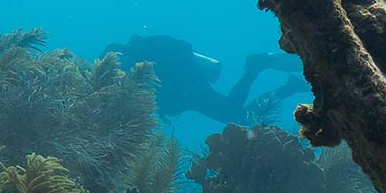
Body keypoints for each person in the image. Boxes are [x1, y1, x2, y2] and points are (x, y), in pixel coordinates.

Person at [104, 34, 307, 123]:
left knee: (233, 114)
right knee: (239, 117)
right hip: (185, 95)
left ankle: (255, 67)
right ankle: (288, 88)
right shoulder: (145, 49)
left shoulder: (144, 51)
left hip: (189, 88)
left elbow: (183, 49)